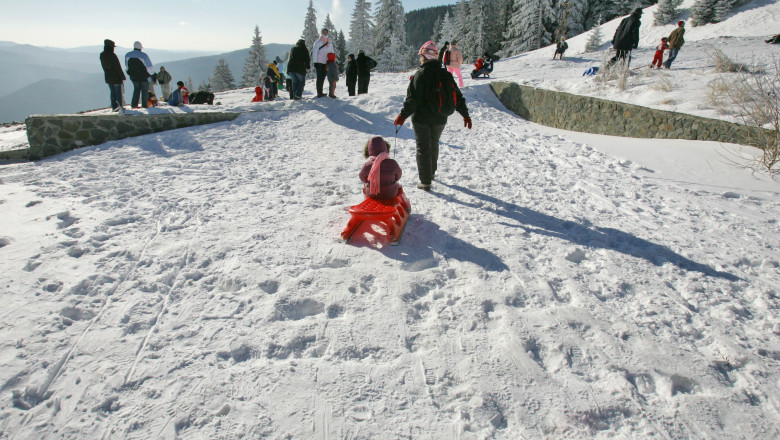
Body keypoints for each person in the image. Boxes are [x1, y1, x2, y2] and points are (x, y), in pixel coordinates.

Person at [393, 41, 471, 191]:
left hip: (421, 119)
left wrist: (403, 115)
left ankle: (425, 181)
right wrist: (465, 115)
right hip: (440, 118)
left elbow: (413, 99)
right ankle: (431, 173)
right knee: (434, 143)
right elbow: (457, 96)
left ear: (425, 57)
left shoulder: (420, 75)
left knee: (423, 147)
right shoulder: (445, 74)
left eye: (421, 56)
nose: (420, 59)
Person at [359, 136, 403, 200]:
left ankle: (366, 200)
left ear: (370, 150)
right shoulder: (392, 163)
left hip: (372, 194)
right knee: (399, 186)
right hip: (391, 194)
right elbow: (398, 176)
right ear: (385, 148)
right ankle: (404, 205)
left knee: (364, 187)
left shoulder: (367, 165)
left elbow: (362, 177)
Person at [125, 41, 155, 108]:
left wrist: (130, 74)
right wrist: (152, 75)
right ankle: (144, 106)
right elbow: (149, 67)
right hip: (144, 77)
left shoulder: (127, 55)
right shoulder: (144, 55)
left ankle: (134, 105)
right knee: (144, 91)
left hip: (134, 77)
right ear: (141, 48)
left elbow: (127, 67)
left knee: (136, 90)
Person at [99, 39, 126, 111]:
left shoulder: (102, 55)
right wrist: (122, 77)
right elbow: (118, 67)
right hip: (116, 77)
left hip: (108, 77)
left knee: (112, 93)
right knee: (118, 93)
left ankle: (114, 107)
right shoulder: (113, 55)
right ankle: (120, 106)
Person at [312, 28, 334, 98]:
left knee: (323, 77)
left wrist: (332, 61)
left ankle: (321, 91)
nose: (325, 33)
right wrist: (315, 62)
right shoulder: (318, 42)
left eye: (326, 32)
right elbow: (315, 52)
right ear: (321, 33)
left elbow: (332, 52)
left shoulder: (329, 43)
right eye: (324, 32)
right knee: (319, 77)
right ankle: (319, 92)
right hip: (319, 62)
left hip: (326, 63)